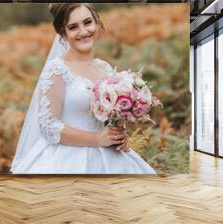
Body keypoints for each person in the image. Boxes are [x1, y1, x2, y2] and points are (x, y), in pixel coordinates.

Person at [11, 3, 155, 174]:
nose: (83, 31)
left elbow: (111, 117)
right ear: (62, 33)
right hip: (65, 158)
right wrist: (96, 139)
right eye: (73, 27)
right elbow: (49, 126)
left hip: (110, 155)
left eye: (87, 22)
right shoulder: (57, 69)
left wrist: (118, 134)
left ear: (97, 23)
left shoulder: (105, 68)